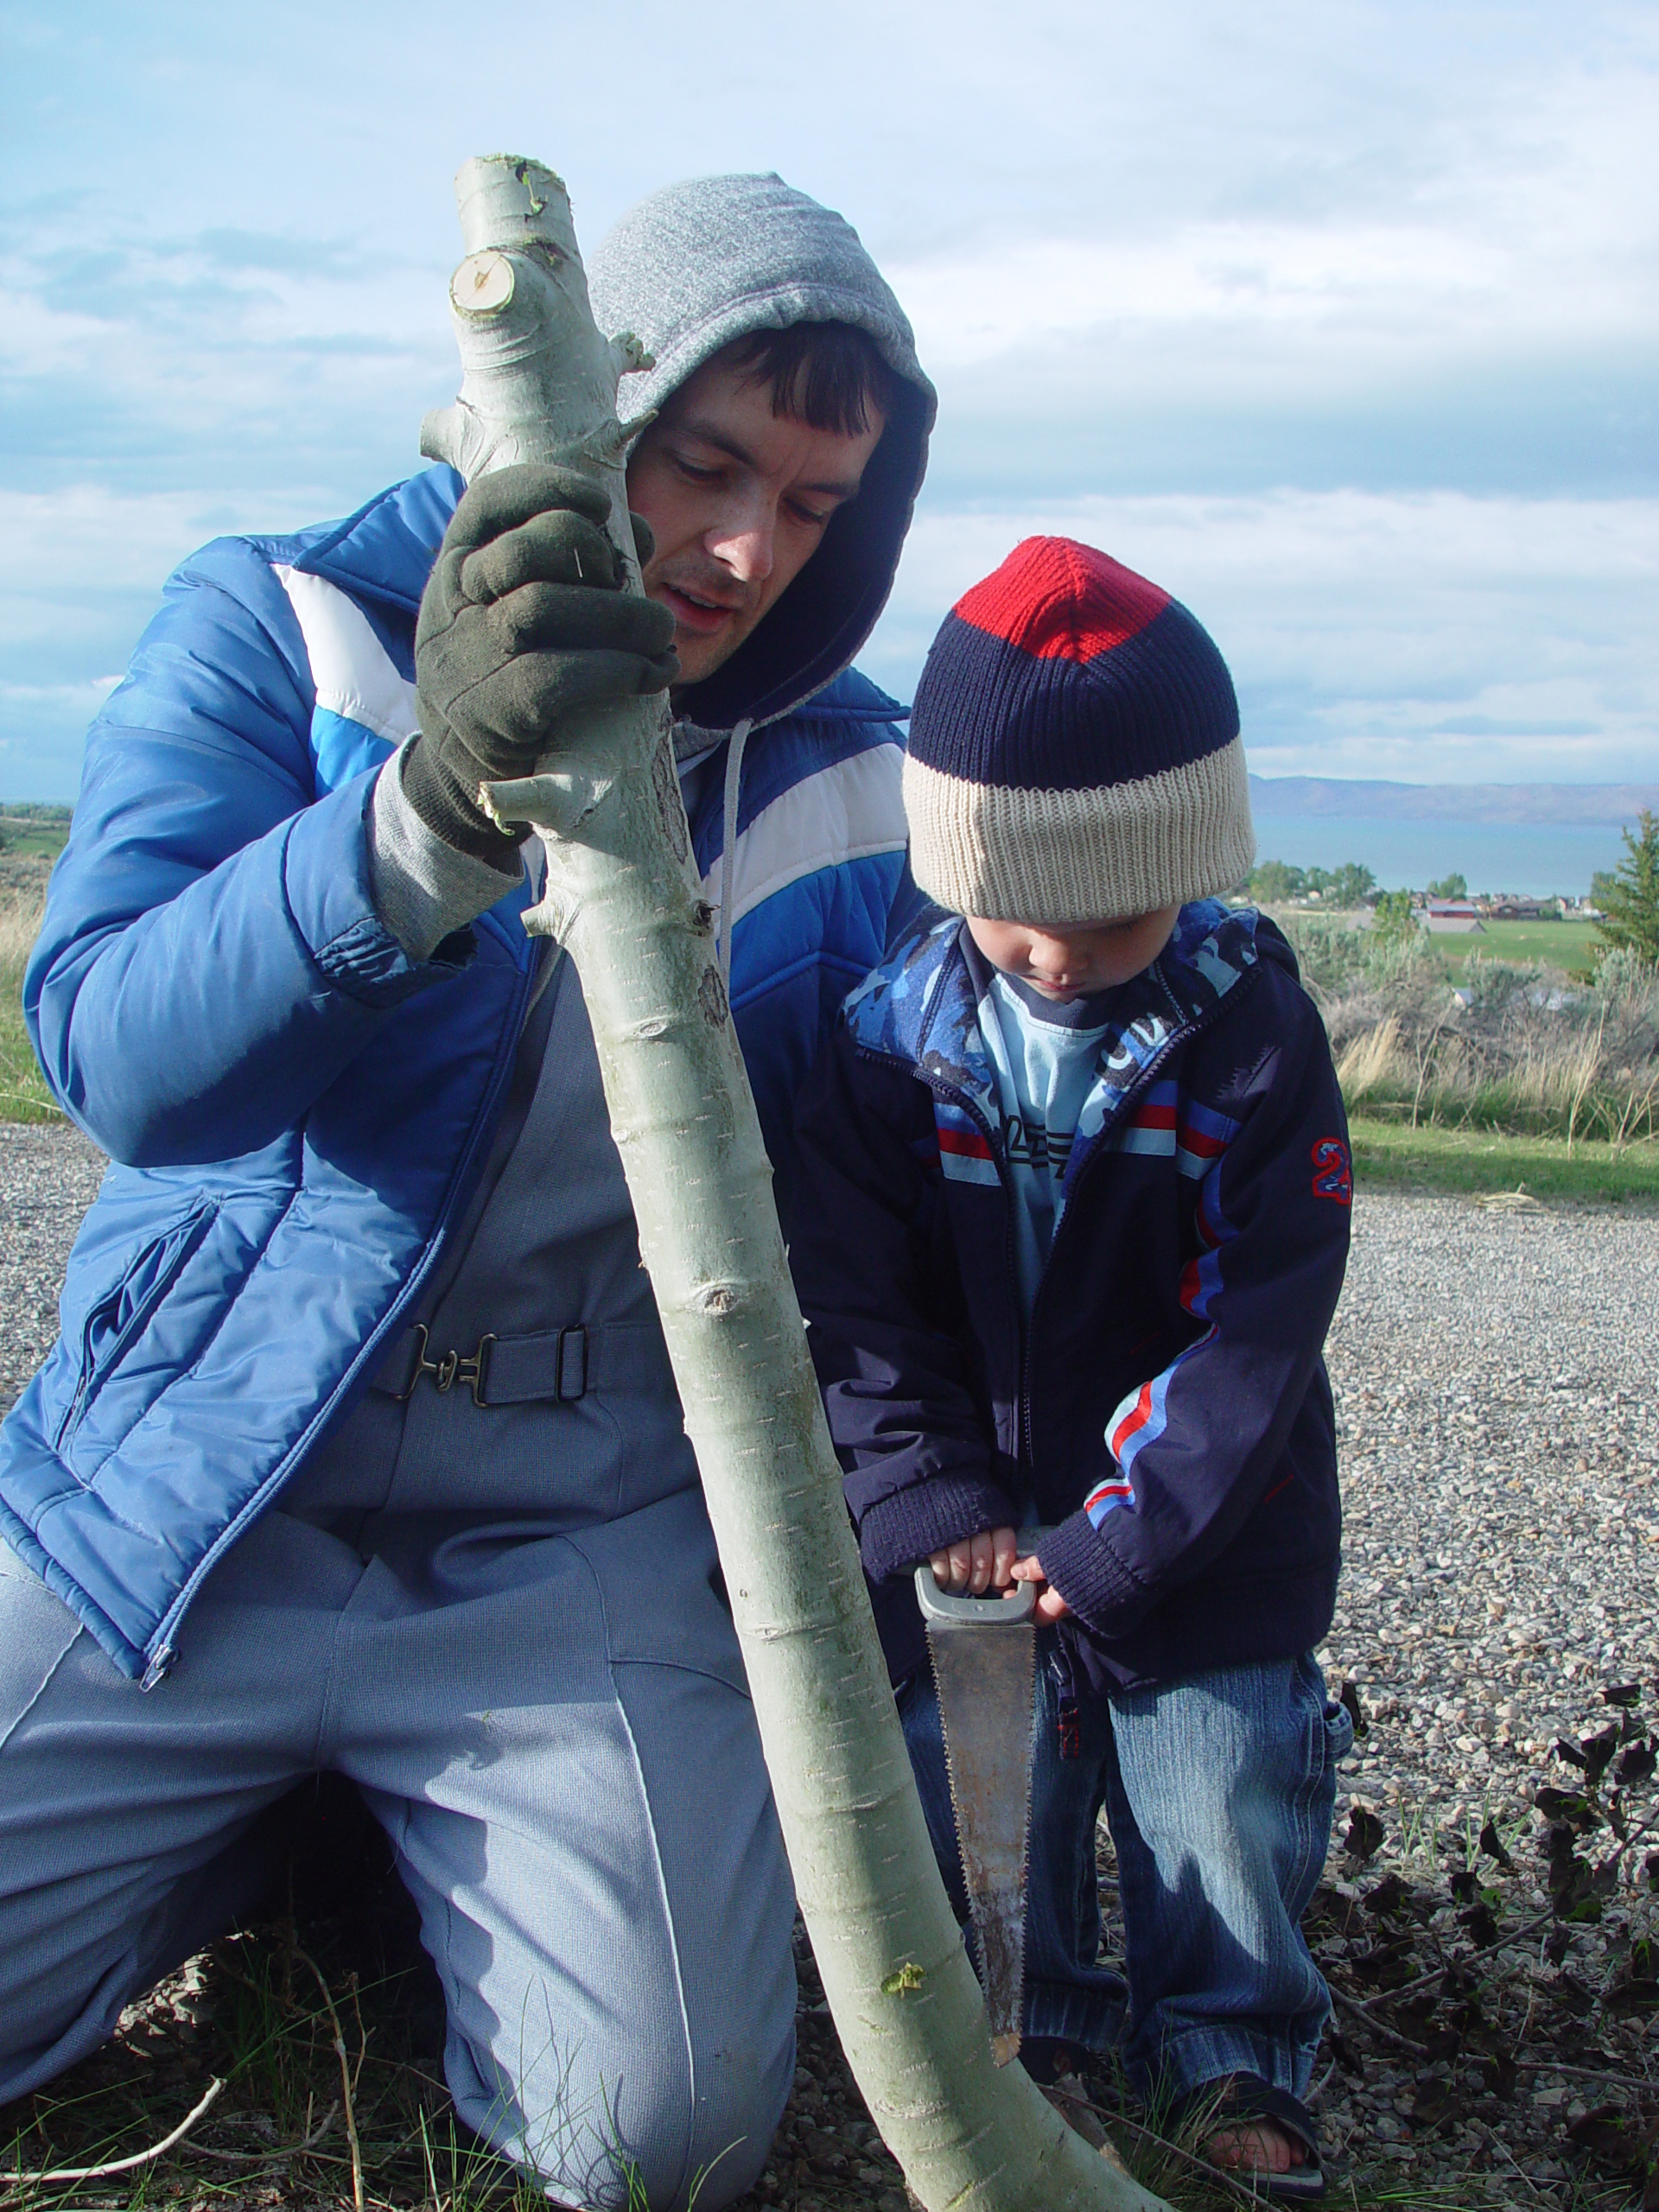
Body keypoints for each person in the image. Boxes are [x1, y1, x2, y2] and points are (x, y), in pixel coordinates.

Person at [0, 173, 935, 2212]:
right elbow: (120, 1058)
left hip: (570, 1543)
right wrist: (420, 809)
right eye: (701, 464)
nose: (745, 550)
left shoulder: (860, 781)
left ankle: (348, 1824)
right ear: (590, 411)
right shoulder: (283, 618)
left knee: (663, 2137)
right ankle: (258, 1819)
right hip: (188, 1495)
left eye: (814, 502)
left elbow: (930, 1185)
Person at [789, 537, 1355, 2201]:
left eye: (1109, 914)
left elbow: (1256, 1329)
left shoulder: (1249, 1036)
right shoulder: (891, 1039)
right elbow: (859, 1301)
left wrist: (1119, 1539)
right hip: (978, 1521)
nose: (1052, 952)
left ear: (1192, 857)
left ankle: (1236, 2045)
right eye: (1011, 908)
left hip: (1205, 1532)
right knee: (985, 1787)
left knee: (1214, 1778)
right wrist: (937, 1494)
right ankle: (1031, 2035)